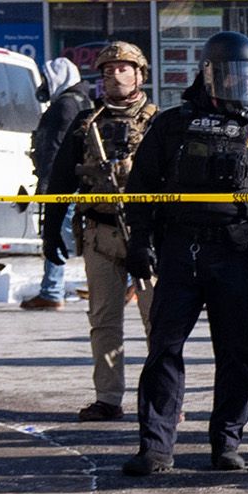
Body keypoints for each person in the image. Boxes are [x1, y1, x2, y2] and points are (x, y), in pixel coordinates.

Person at [121, 28, 248, 477]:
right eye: (227, 75)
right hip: (181, 251)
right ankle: (157, 448)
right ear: (207, 75)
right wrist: (139, 241)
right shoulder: (172, 124)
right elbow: (140, 186)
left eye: (245, 76)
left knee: (238, 351)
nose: (237, 85)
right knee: (164, 348)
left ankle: (226, 442)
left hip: (237, 251)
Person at [38, 41, 153, 421]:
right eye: (107, 70)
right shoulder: (86, 123)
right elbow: (60, 180)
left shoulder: (160, 122)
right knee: (104, 322)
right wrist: (51, 228)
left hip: (150, 237)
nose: (114, 75)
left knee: (159, 323)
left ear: (140, 74)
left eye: (123, 68)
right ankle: (108, 398)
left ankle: (163, 400)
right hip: (100, 235)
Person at [21, 57, 92, 310]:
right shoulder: (80, 101)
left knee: (60, 234)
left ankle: (51, 291)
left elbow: (55, 147)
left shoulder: (65, 105)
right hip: (75, 178)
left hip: (62, 182)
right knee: (72, 233)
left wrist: (49, 180)